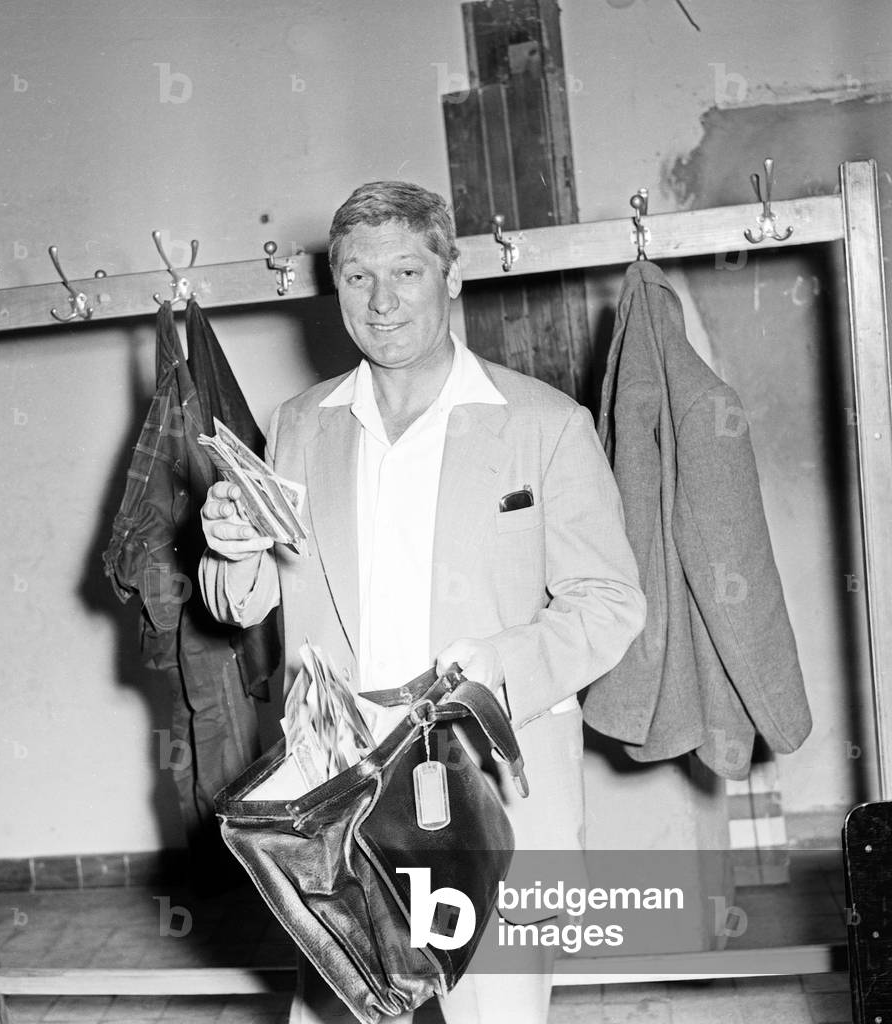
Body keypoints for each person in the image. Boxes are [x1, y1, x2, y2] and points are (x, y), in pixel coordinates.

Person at [199, 181, 646, 1023]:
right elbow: (241, 604)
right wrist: (231, 547)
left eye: (407, 269)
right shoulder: (299, 422)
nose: (383, 298)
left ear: (454, 273)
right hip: (338, 795)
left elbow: (610, 602)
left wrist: (498, 669)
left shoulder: (544, 425)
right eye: (358, 276)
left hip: (486, 793)